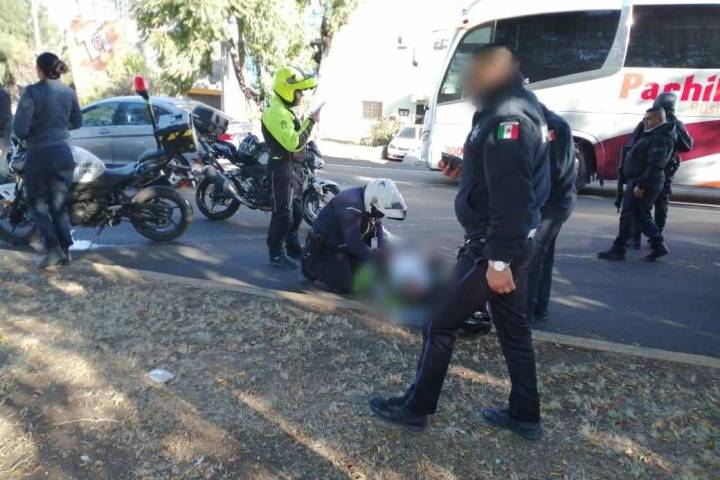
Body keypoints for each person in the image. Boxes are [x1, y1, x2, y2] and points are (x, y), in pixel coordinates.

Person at [369, 44, 550, 441]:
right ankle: (525, 415)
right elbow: (506, 175)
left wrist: (498, 262)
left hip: (494, 247)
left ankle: (416, 408)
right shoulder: (511, 108)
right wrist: (467, 170)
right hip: (506, 244)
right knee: (513, 330)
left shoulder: (507, 118)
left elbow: (514, 198)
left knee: (439, 321)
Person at [13, 52, 82, 269]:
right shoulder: (68, 92)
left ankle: (53, 249)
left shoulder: (32, 91)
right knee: (59, 204)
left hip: (40, 154)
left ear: (40, 69)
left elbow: (20, 129)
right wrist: (58, 129)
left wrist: (37, 131)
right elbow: (77, 121)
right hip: (63, 153)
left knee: (36, 203)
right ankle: (65, 250)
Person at [301, 178, 407, 294]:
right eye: (380, 213)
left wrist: (382, 254)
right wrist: (377, 259)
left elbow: (377, 233)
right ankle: (310, 266)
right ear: (373, 203)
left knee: (369, 275)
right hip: (324, 248)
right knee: (345, 285)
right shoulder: (350, 206)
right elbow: (354, 244)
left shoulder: (370, 202)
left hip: (342, 243)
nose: (380, 216)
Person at [599, 107, 676, 261]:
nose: (645, 122)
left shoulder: (660, 138)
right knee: (641, 214)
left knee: (629, 215)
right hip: (641, 180)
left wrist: (641, 185)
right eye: (644, 118)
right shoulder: (653, 134)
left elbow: (655, 164)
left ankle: (619, 249)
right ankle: (657, 245)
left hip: (644, 182)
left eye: (649, 119)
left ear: (659, 119)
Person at [261, 66, 320, 269]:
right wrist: (310, 122)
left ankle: (291, 245)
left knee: (297, 211)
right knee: (283, 214)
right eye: (298, 91)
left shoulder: (284, 110)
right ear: (287, 89)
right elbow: (293, 142)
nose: (301, 96)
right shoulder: (275, 112)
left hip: (294, 168)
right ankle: (276, 253)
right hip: (283, 169)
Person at [526, 105, 577, 321]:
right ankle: (539, 306)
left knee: (534, 255)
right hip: (555, 200)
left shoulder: (553, 126)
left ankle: (527, 310)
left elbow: (554, 169)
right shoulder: (548, 123)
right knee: (543, 255)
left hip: (552, 202)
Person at [629, 92, 693, 247]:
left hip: (651, 170)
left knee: (641, 203)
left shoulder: (652, 121)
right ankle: (655, 237)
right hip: (665, 170)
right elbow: (687, 145)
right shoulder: (675, 124)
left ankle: (640, 237)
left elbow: (633, 145)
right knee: (660, 204)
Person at [0, 85, 11, 181]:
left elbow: (4, 117)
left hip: (2, 135)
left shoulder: (2, 95)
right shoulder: (3, 94)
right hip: (4, 133)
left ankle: (4, 182)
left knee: (2, 162)